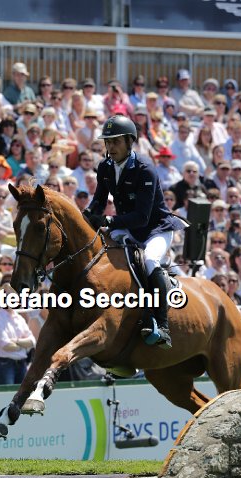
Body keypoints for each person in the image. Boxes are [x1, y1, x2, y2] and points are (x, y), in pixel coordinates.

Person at [86, 115, 187, 348]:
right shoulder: (105, 167)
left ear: (129, 141)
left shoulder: (145, 169)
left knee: (150, 260)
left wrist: (108, 220)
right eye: (107, 142)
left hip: (155, 229)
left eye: (116, 141)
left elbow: (142, 217)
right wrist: (86, 215)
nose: (110, 147)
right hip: (128, 228)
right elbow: (98, 201)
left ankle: (162, 325)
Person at [0, 302, 36, 385]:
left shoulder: (20, 318)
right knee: (7, 393)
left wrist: (15, 341)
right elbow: (6, 345)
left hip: (21, 364)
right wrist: (23, 346)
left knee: (23, 392)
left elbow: (32, 341)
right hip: (5, 365)